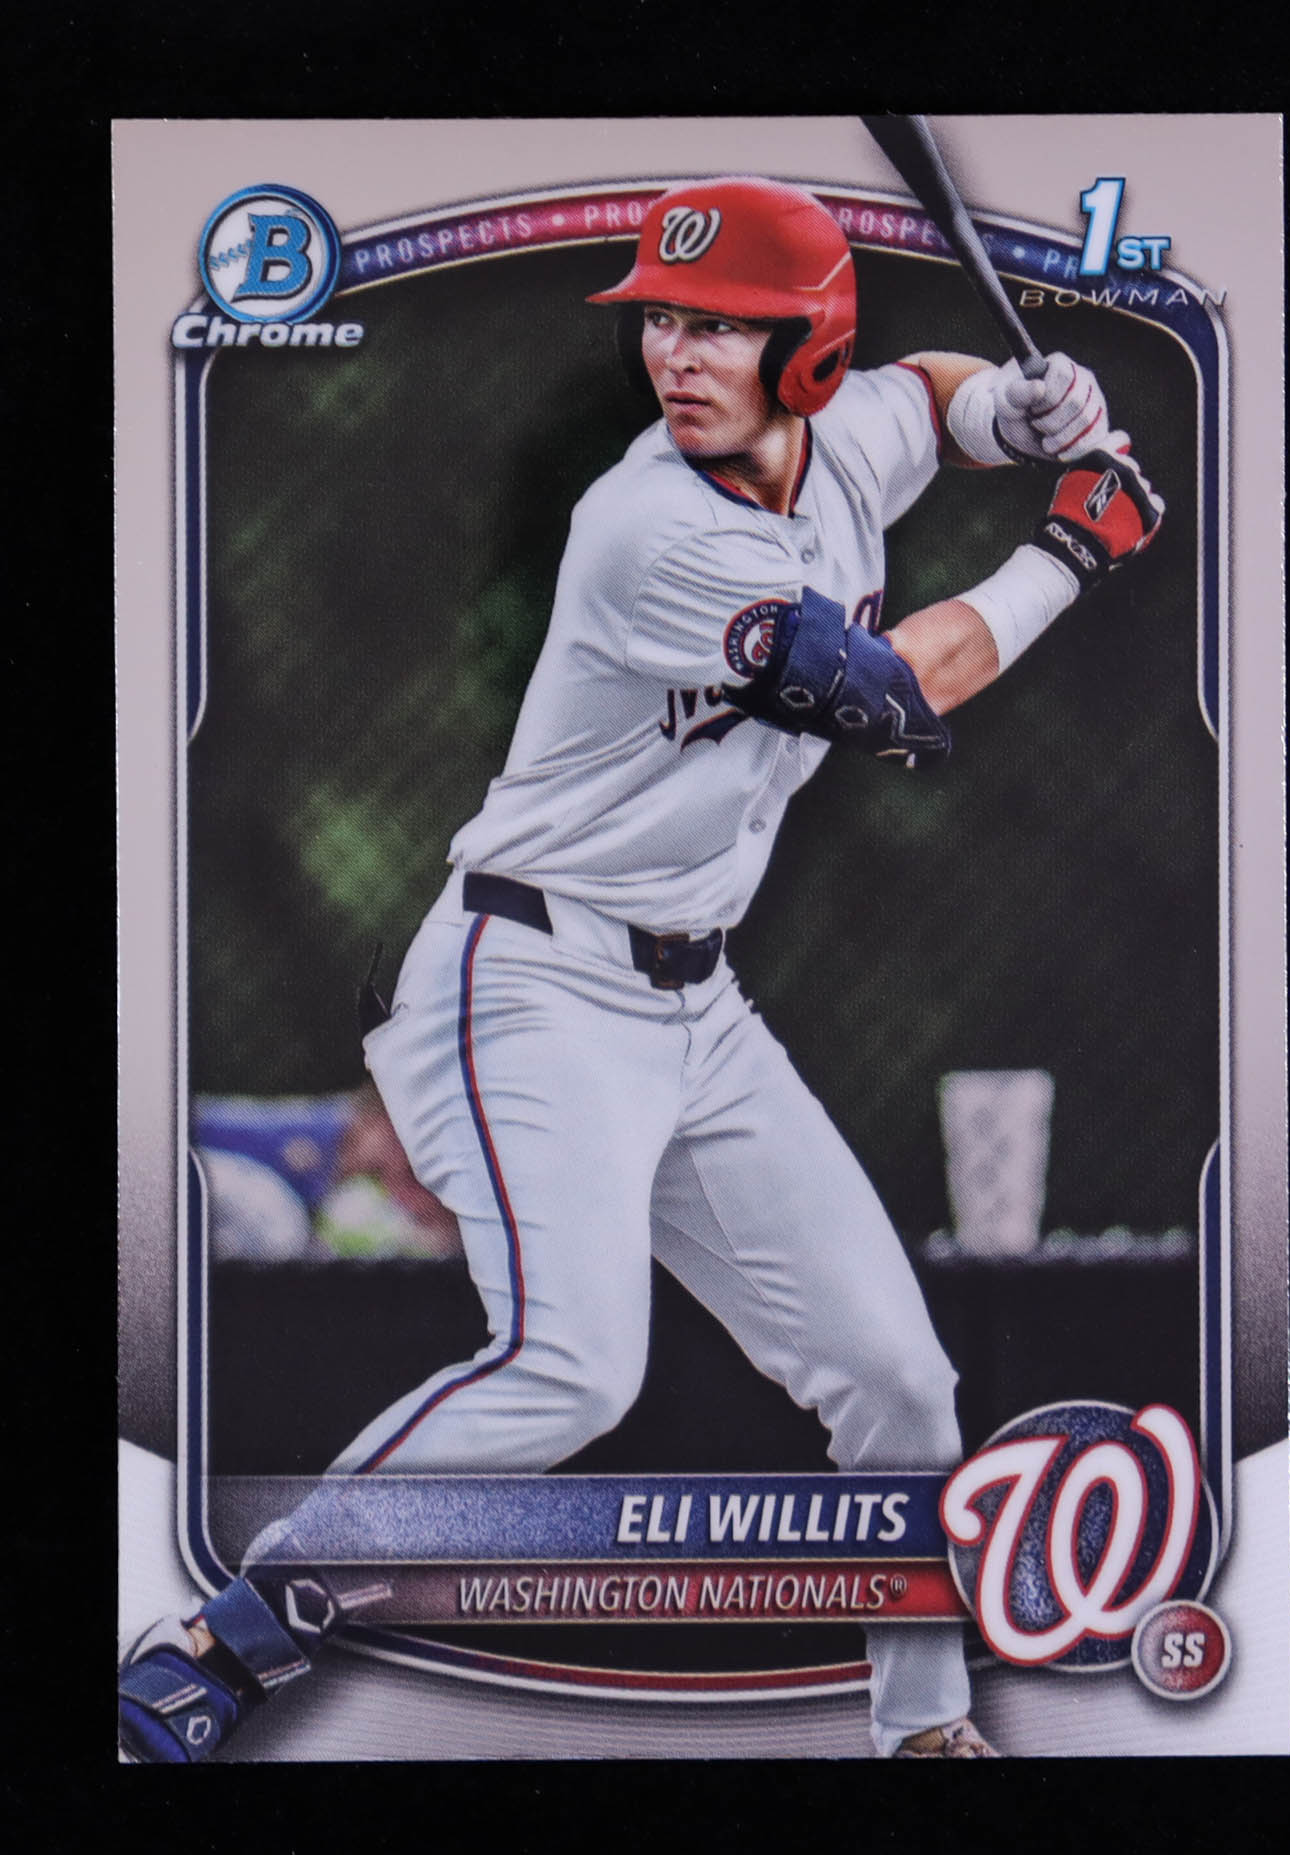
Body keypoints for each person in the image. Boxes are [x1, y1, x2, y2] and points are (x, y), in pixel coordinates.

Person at [119, 176, 1161, 1762]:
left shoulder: (836, 440)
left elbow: (923, 395)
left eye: (719, 326)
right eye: (661, 321)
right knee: (572, 1366)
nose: (674, 352)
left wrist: (1007, 413)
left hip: (696, 1003)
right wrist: (1071, 546)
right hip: (527, 983)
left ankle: (926, 1737)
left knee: (895, 1374)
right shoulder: (647, 525)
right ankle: (227, 1640)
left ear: (806, 351)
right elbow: (891, 692)